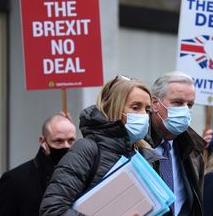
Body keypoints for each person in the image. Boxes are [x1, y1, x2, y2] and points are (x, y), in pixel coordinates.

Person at [40, 75, 161, 216]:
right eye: (135, 107)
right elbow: (52, 210)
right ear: (114, 109)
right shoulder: (86, 150)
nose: (143, 115)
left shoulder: (145, 155)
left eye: (147, 110)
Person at [0, 114, 77, 216]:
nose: (66, 146)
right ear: (43, 141)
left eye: (71, 141)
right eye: (58, 141)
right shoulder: (14, 180)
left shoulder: (79, 176)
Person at [149, 71, 206, 216]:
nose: (185, 110)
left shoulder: (193, 151)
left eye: (190, 105)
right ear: (155, 103)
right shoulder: (136, 145)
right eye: (177, 102)